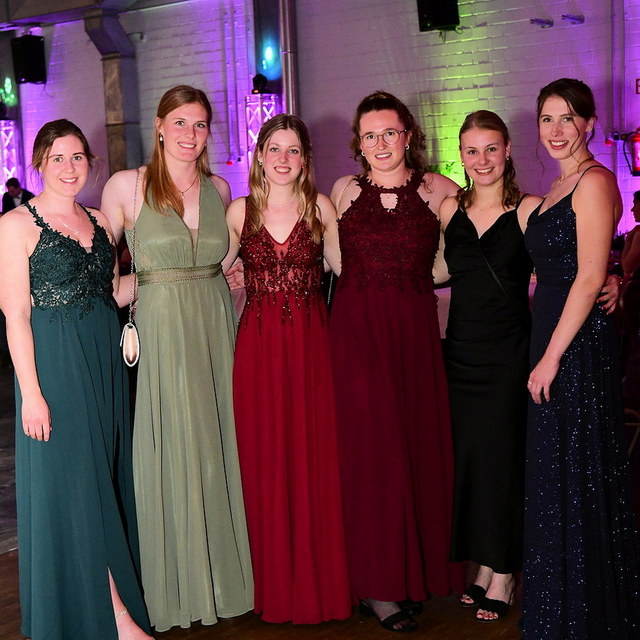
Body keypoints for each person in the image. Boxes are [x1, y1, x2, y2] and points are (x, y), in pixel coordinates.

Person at [100, 85, 253, 632]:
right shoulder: (127, 186)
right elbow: (101, 271)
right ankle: (175, 585)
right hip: (161, 328)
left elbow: (226, 261)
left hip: (215, 326)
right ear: (160, 126)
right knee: (168, 443)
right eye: (181, 122)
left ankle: (226, 581)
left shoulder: (220, 187)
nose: (191, 133)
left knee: (217, 441)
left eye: (201, 124)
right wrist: (135, 292)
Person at [0, 119, 151, 639]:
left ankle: (97, 611)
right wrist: (32, 394)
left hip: (104, 364)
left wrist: (172, 276)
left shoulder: (100, 221)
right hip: (56, 369)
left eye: (78, 157)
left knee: (102, 481)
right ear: (39, 163)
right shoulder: (16, 224)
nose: (69, 167)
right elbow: (16, 314)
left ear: (90, 162)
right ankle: (117, 617)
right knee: (76, 488)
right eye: (58, 158)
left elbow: (111, 293)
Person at [329, 90, 463, 633]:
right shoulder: (343, 190)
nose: (381, 143)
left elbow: (469, 251)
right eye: (370, 135)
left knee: (414, 448)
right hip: (356, 335)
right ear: (358, 144)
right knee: (372, 456)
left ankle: (413, 573)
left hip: (413, 334)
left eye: (390, 132)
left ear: (408, 136)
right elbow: (334, 259)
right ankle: (377, 585)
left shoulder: (440, 190)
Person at [522, 78, 640, 639]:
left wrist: (550, 358)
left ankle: (585, 616)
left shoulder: (594, 180)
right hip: (552, 334)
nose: (557, 129)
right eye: (547, 118)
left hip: (574, 348)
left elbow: (590, 276)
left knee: (579, 473)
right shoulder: (554, 188)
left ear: (589, 124)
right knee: (557, 475)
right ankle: (561, 609)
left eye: (568, 117)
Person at [225, 114, 351, 624]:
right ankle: (269, 582)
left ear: (305, 159)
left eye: (293, 150)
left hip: (311, 349)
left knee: (311, 457)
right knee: (264, 458)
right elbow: (211, 269)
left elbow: (345, 268)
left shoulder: (320, 208)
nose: (283, 158)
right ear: (259, 155)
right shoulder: (239, 211)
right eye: (274, 148)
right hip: (257, 352)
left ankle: (317, 581)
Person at [438, 110, 541, 622]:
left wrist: (609, 280)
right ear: (461, 156)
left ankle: (504, 570)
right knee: (470, 462)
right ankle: (481, 563)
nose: (482, 160)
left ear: (507, 151)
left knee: (501, 460)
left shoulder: (528, 210)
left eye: (491, 149)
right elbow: (435, 269)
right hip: (460, 353)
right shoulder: (448, 209)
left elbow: (563, 269)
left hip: (507, 356)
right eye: (472, 151)